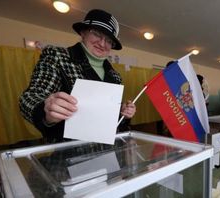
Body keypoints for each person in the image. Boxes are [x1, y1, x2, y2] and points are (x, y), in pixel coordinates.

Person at [19, 9, 136, 143]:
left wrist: (123, 113)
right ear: (83, 32)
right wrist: (45, 109)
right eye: (97, 33)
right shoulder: (58, 57)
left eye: (109, 40)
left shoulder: (115, 76)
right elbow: (30, 97)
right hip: (67, 152)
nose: (102, 43)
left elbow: (112, 122)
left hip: (107, 151)